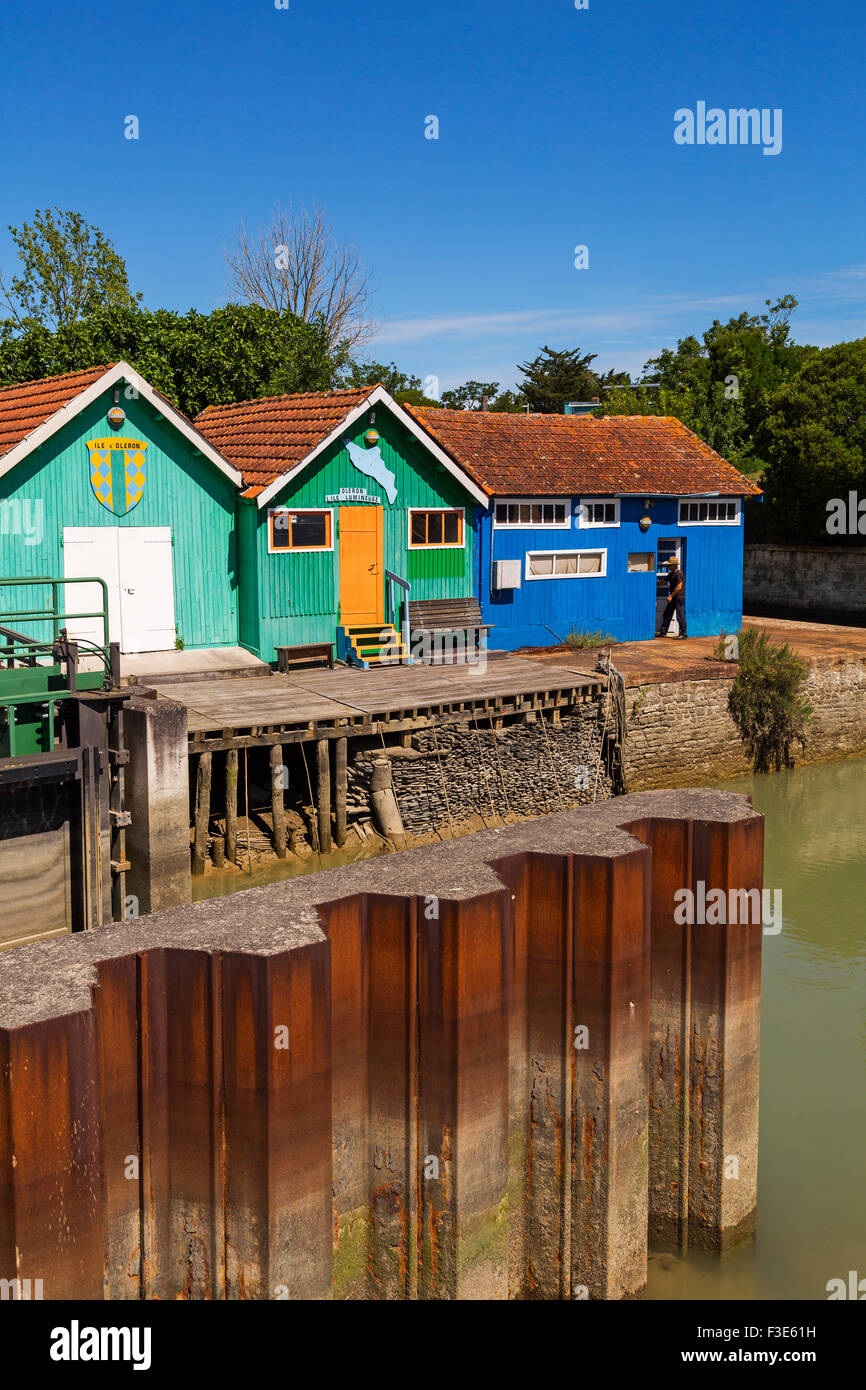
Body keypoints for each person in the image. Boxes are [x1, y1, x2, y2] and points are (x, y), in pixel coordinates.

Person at [660, 556, 687, 638]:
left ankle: (683, 634)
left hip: (679, 597)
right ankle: (663, 632)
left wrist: (670, 596)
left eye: (670, 565)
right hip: (673, 598)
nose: (668, 567)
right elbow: (663, 582)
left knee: (680, 615)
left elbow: (679, 586)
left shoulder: (679, 574)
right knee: (667, 614)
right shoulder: (671, 574)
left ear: (675, 565)